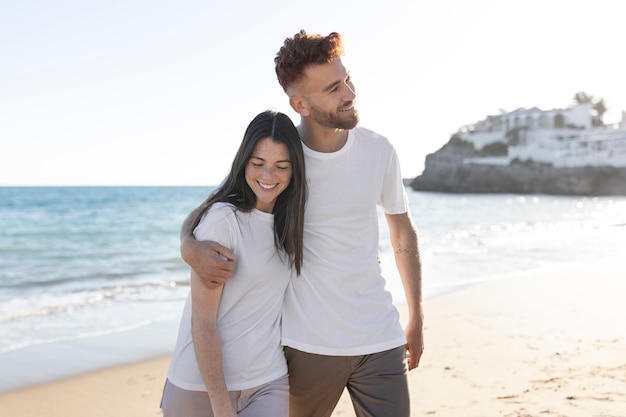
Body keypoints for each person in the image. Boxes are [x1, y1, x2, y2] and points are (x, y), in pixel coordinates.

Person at [181, 30, 424, 417]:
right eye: (332, 89)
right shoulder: (279, 160)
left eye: (347, 79)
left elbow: (402, 231)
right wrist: (189, 246)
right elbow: (218, 204)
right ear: (301, 104)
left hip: (380, 336)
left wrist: (416, 316)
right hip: (305, 345)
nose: (349, 93)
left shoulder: (379, 150)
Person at [161, 110, 307, 417]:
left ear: (295, 170)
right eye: (258, 164)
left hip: (268, 379)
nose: (268, 177)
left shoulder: (290, 220)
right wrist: (221, 404)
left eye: (281, 167)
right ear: (244, 162)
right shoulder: (222, 221)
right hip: (201, 388)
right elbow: (203, 322)